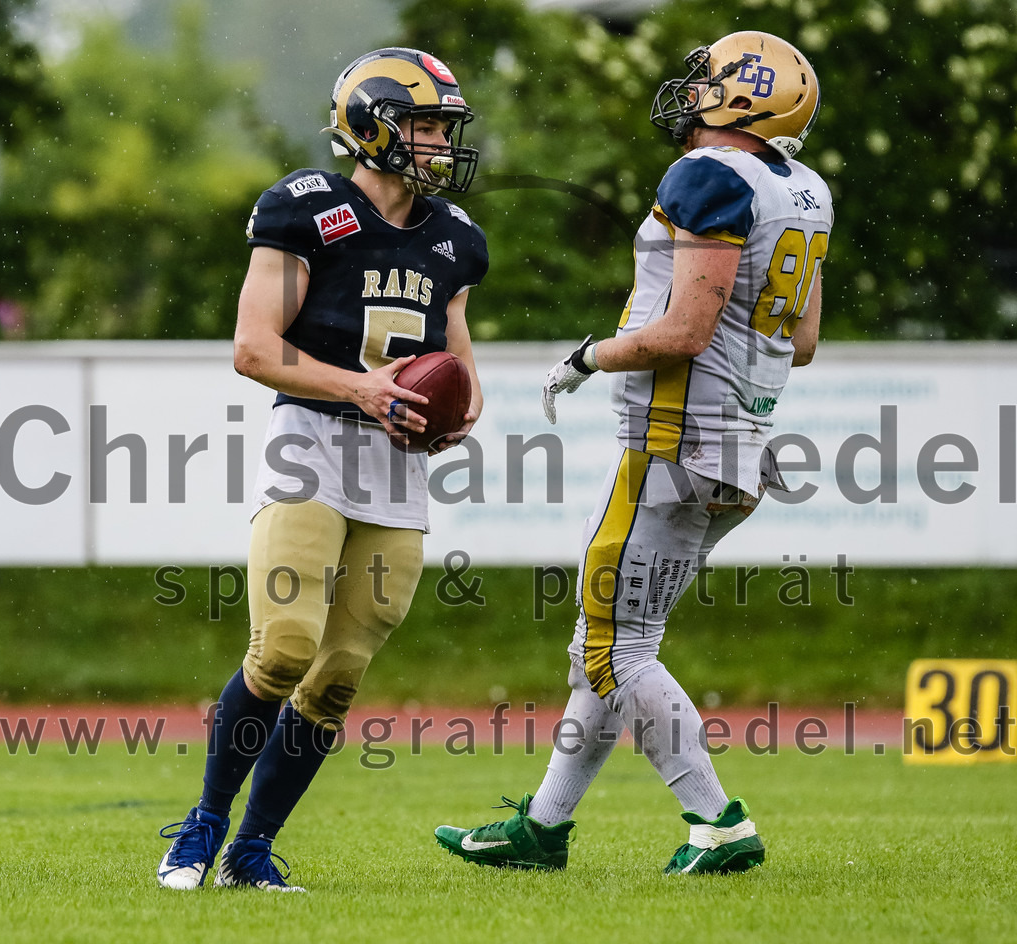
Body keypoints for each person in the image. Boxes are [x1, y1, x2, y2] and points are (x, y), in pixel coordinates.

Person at [435, 30, 832, 875]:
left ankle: (716, 822)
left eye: (707, 82)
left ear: (743, 96)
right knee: (610, 639)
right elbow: (801, 341)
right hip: (740, 440)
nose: (689, 94)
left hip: (674, 438)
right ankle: (543, 826)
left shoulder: (710, 175)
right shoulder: (805, 192)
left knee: (617, 649)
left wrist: (587, 355)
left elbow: (684, 330)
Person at [157, 46, 487, 891]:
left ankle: (252, 852)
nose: (439, 144)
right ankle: (200, 826)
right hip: (310, 438)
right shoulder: (306, 208)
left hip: (395, 466)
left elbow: (462, 370)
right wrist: (362, 388)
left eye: (444, 129)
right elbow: (254, 349)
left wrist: (454, 415)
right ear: (372, 123)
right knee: (283, 651)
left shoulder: (455, 241)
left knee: (338, 676)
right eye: (423, 125)